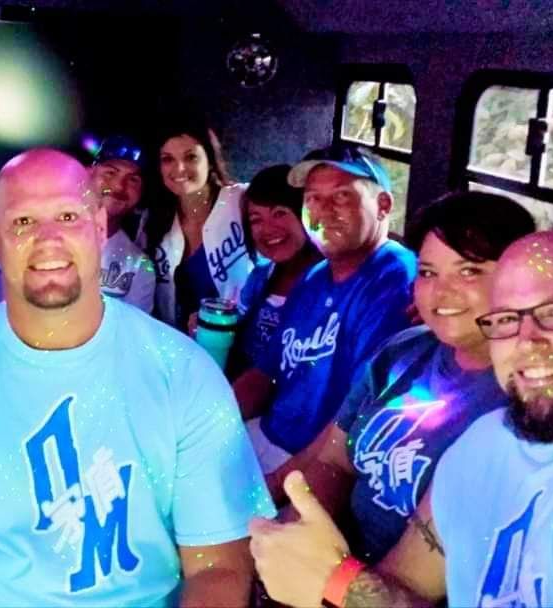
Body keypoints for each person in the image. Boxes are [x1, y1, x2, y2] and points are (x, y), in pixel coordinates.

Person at [0, 149, 275, 607]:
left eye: (68, 216)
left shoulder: (184, 374)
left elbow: (219, 567)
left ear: (100, 227)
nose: (48, 239)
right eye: (24, 222)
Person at [249, 230, 553, 608]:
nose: (528, 342)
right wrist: (312, 567)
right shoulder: (485, 445)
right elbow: (404, 583)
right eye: (508, 319)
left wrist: (339, 586)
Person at [233, 144, 417, 472]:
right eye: (312, 199)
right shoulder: (314, 276)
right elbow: (264, 373)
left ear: (383, 205)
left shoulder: (393, 281)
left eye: (342, 197)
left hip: (318, 462)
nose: (323, 210)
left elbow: (352, 424)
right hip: (270, 432)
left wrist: (274, 489)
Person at [0, 135, 157, 334]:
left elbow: (131, 335)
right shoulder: (29, 213)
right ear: (88, 173)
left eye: (133, 179)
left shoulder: (138, 266)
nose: (119, 186)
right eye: (110, 172)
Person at [144, 121, 252, 331]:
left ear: (210, 161)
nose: (179, 168)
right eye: (168, 159)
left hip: (239, 344)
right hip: (176, 348)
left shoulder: (241, 200)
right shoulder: (152, 219)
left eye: (190, 157)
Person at [226, 164, 321, 375]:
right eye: (256, 219)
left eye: (279, 213)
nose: (267, 229)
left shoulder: (330, 283)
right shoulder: (260, 276)